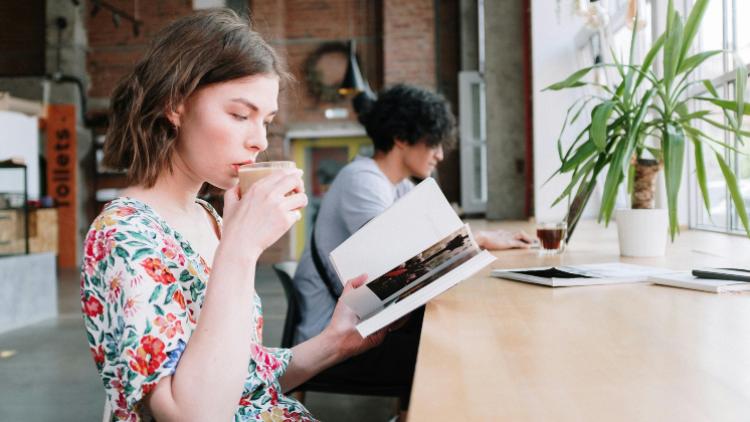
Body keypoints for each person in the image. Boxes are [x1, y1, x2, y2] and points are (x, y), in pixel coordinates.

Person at [80, 10, 385, 421]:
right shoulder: (124, 234)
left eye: (267, 120)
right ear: (174, 104)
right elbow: (194, 414)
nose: (259, 140)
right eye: (240, 115)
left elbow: (241, 383)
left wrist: (337, 341)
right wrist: (241, 249)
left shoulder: (209, 215)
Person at [292, 84, 533, 415]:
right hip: (331, 339)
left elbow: (436, 240)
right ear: (402, 138)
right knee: (448, 352)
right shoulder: (362, 181)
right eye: (433, 142)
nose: (440, 154)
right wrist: (478, 240)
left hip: (362, 324)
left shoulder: (399, 185)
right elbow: (406, 263)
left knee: (450, 338)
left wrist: (477, 238)